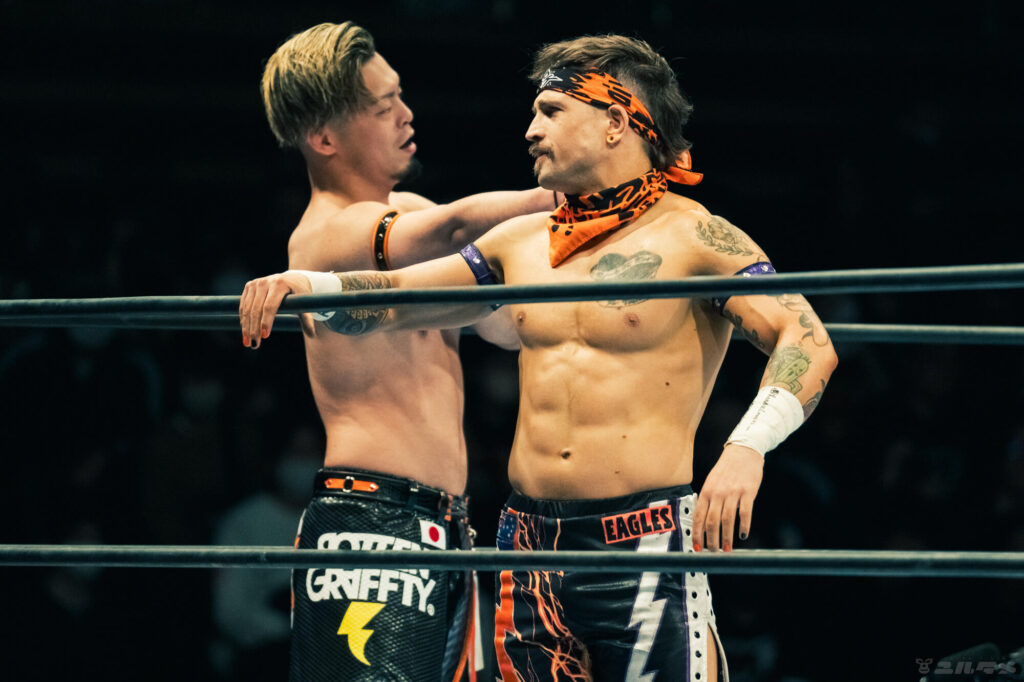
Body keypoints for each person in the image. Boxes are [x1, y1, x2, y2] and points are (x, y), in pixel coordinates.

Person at [241, 33, 839, 682]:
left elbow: (806, 339)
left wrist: (747, 447)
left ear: (615, 123)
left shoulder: (696, 236)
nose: (530, 131)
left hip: (640, 544)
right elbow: (400, 299)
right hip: (525, 548)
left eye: (551, 112)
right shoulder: (520, 243)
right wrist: (309, 285)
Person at [246, 21, 557, 682]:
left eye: (400, 96)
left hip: (448, 524)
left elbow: (504, 325)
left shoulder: (408, 210)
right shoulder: (326, 235)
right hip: (372, 521)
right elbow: (454, 227)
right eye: (382, 105)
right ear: (324, 138)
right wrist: (566, 195)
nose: (405, 114)